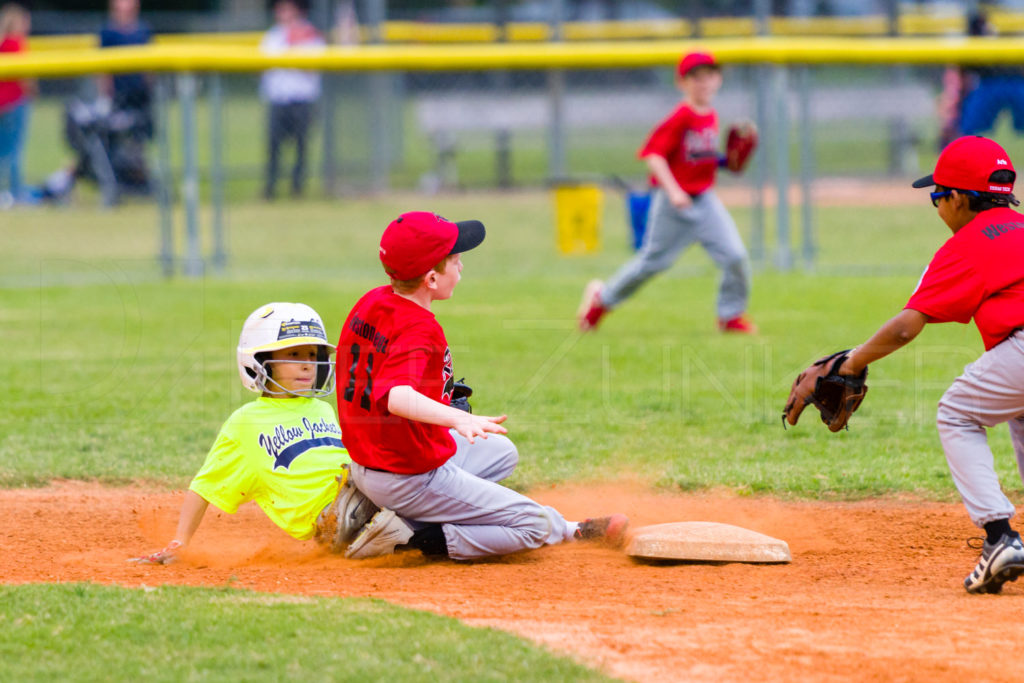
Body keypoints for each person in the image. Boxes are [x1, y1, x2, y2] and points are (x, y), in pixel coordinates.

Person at [335, 211, 629, 561]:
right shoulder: (419, 328)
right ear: (430, 278)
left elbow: (371, 375)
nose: (462, 267)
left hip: (373, 459)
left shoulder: (373, 301)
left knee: (502, 453)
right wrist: (456, 418)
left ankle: (369, 506)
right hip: (409, 474)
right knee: (533, 525)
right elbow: (397, 396)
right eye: (455, 260)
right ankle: (411, 537)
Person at [832, 135, 1024, 594]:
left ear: (959, 198)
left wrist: (852, 362)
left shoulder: (967, 246)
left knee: (957, 412)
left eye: (937, 196)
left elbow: (904, 328)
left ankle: (999, 538)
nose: (937, 207)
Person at [132, 302, 404, 564]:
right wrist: (181, 542)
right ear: (261, 361)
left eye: (312, 355)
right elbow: (204, 486)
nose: (308, 365)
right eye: (294, 355)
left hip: (364, 487)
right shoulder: (246, 422)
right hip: (336, 516)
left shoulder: (322, 409)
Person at [578, 51, 756, 335]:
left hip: (705, 200)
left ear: (718, 79)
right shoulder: (681, 116)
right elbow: (654, 156)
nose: (702, 82)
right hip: (673, 204)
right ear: (681, 83)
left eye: (708, 75)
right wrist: (673, 191)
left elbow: (698, 156)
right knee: (651, 263)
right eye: (694, 77)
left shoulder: (710, 114)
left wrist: (726, 161)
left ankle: (730, 315)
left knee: (735, 256)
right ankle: (602, 300)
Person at [260, 0, 324, 200]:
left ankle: (297, 188)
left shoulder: (311, 35)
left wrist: (295, 46)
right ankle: (270, 187)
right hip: (278, 99)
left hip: (302, 98)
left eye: (287, 9)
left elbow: (313, 68)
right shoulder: (273, 36)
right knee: (273, 145)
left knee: (301, 145)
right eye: (280, 9)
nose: (282, 13)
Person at [98, 0, 153, 195]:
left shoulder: (143, 29)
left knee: (139, 139)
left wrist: (149, 87)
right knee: (116, 138)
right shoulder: (108, 31)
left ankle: (139, 181)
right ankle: (118, 180)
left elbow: (149, 66)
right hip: (119, 94)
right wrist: (105, 92)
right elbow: (103, 68)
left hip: (139, 93)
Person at [0, 3, 34, 208]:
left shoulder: (2, 43)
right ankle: (16, 192)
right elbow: (25, 79)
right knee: (15, 151)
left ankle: (6, 191)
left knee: (3, 150)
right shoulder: (17, 43)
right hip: (15, 103)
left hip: (2, 105)